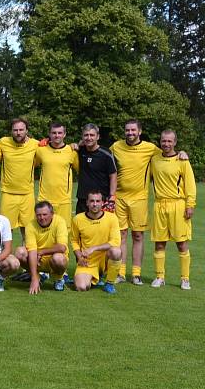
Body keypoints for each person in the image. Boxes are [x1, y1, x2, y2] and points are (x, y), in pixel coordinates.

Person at [109, 119, 187, 285]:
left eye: (133, 130)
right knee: (121, 235)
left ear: (140, 131)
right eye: (127, 130)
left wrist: (182, 152)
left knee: (137, 235)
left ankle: (136, 274)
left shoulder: (150, 148)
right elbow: (100, 153)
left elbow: (168, 152)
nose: (130, 133)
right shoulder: (116, 146)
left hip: (140, 198)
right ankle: (121, 273)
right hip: (120, 197)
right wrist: (78, 144)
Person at [150, 130, 196, 290]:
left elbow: (190, 185)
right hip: (159, 205)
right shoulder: (154, 159)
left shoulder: (182, 160)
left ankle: (185, 279)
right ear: (160, 141)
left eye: (170, 141)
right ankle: (159, 277)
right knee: (159, 244)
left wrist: (190, 205)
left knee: (181, 244)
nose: (166, 144)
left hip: (178, 205)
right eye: (163, 141)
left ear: (175, 142)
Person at [70, 191, 122, 293]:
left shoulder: (112, 218)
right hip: (88, 261)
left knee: (116, 251)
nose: (95, 204)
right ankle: (93, 277)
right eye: (92, 201)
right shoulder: (78, 219)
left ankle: (109, 283)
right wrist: (79, 256)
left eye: (98, 201)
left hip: (105, 258)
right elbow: (74, 240)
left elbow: (115, 242)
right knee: (81, 287)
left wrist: (94, 248)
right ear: (87, 203)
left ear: (102, 202)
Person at [0, 118, 38, 240]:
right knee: (5, 229)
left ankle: (26, 257)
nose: (18, 133)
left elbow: (52, 147)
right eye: (15, 130)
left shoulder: (35, 144)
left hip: (27, 194)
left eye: (21, 130)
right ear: (11, 131)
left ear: (26, 131)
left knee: (28, 229)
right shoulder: (3, 142)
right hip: (8, 193)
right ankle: (6, 257)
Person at [15, 201, 69, 294]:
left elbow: (62, 248)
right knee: (20, 252)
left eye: (45, 214)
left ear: (52, 214)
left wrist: (41, 252)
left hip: (53, 259)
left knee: (58, 258)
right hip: (37, 259)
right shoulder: (31, 225)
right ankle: (37, 276)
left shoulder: (60, 222)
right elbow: (32, 251)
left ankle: (58, 279)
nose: (42, 218)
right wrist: (34, 278)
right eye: (38, 215)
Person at [35, 122, 78, 219]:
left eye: (59, 133)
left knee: (64, 231)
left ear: (64, 134)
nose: (57, 135)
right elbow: (33, 164)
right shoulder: (41, 150)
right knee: (44, 231)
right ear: (49, 134)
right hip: (44, 199)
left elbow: (80, 171)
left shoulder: (72, 151)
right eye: (54, 133)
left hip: (64, 200)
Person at [75, 123, 117, 214]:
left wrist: (112, 196)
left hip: (100, 199)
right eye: (86, 135)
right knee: (81, 226)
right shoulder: (79, 150)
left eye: (92, 135)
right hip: (83, 198)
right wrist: (74, 145)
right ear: (82, 137)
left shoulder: (106, 153)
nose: (89, 138)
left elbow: (113, 175)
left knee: (101, 227)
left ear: (98, 137)